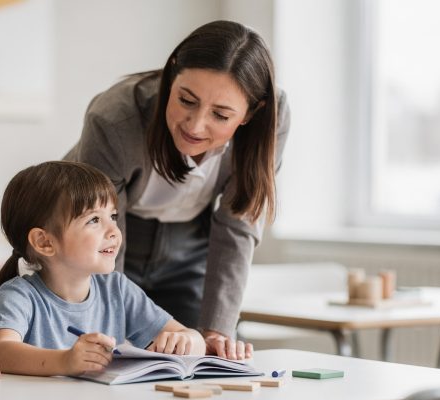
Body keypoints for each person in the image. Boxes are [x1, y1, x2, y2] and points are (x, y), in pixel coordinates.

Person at [65, 20, 291, 362]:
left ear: (251, 113)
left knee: (207, 363)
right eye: (186, 100)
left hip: (190, 243)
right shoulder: (115, 119)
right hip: (110, 237)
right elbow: (99, 233)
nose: (196, 125)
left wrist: (217, 330)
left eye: (220, 114)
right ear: (171, 77)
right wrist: (109, 332)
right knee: (111, 360)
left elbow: (239, 226)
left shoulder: (271, 119)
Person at [0, 161, 205, 400]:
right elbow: (2, 351)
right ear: (44, 242)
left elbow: (189, 337)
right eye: (94, 220)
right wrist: (66, 361)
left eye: (113, 215)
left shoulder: (117, 289)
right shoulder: (20, 294)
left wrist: (187, 340)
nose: (113, 230)